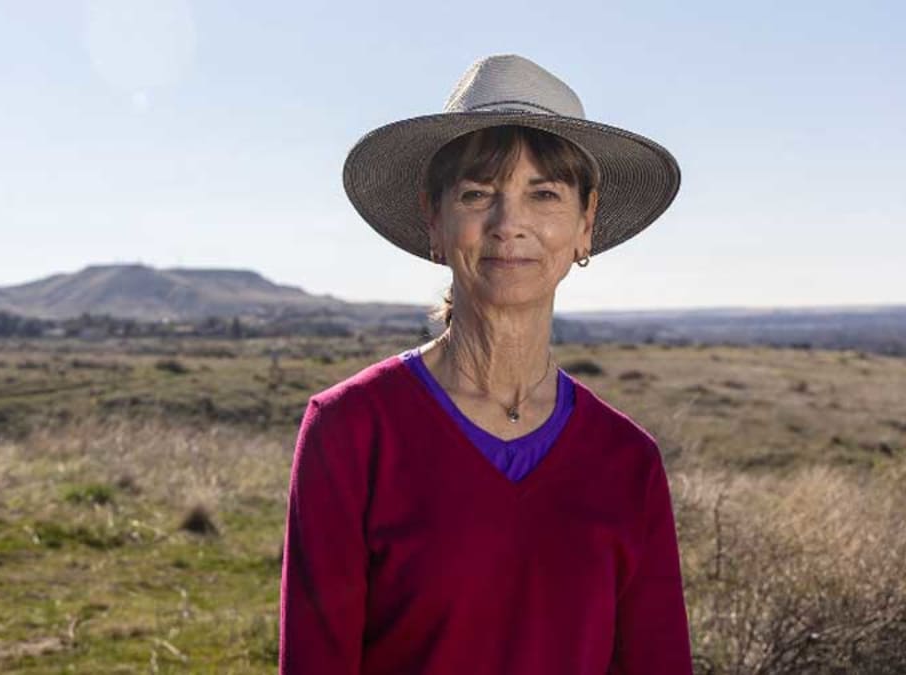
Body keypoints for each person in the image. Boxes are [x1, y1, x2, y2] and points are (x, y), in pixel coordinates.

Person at [278, 55, 693, 674]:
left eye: (544, 194)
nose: (509, 225)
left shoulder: (627, 461)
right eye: (478, 193)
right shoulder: (350, 431)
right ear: (435, 220)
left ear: (585, 225)